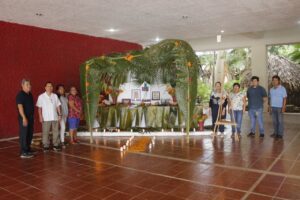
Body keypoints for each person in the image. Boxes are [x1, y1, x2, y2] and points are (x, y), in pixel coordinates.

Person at [36, 82, 62, 152]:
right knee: (45, 132)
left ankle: (55, 144)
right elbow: (39, 108)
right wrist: (40, 117)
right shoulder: (41, 96)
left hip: (55, 117)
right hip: (46, 118)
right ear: (45, 87)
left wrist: (60, 115)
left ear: (52, 88)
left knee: (56, 131)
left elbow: (58, 106)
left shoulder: (55, 96)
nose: (49, 88)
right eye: (48, 86)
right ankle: (46, 145)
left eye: (51, 86)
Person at [16, 79, 35, 158]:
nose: (29, 86)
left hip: (30, 118)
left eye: (29, 84)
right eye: (27, 84)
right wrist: (24, 117)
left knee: (29, 134)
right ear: (22, 85)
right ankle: (23, 152)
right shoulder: (20, 95)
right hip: (24, 118)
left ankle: (28, 149)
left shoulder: (29, 94)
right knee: (24, 134)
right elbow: (20, 107)